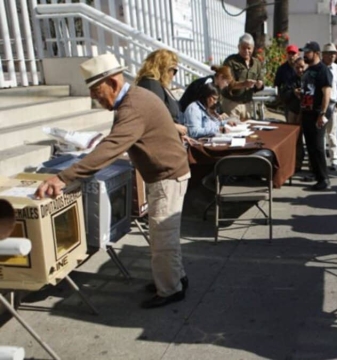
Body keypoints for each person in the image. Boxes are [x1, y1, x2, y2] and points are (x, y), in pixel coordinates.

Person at [34, 54, 191, 309]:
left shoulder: (132, 106)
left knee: (163, 238)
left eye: (97, 91)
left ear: (112, 83)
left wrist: (64, 177)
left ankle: (171, 289)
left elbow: (111, 147)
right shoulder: (134, 99)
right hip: (167, 174)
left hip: (167, 177)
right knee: (164, 235)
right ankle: (174, 278)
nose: (95, 98)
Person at [298, 41, 333, 191]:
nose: (304, 55)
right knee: (311, 147)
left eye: (308, 52)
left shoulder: (322, 70)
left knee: (318, 147)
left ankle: (324, 179)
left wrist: (322, 113)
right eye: (304, 52)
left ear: (316, 53)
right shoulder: (308, 70)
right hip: (306, 112)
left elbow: (326, 93)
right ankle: (316, 175)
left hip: (317, 113)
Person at [135, 49, 187, 137]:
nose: (174, 75)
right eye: (173, 70)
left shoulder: (157, 84)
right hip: (159, 141)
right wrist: (175, 127)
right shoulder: (151, 84)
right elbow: (153, 117)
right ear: (163, 68)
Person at [221, 33, 265, 120]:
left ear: (253, 48)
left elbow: (260, 81)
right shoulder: (231, 61)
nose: (246, 51)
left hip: (247, 105)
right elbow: (227, 84)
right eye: (243, 48)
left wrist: (259, 85)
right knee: (233, 131)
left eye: (249, 48)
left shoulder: (256, 63)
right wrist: (244, 84)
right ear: (238, 47)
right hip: (232, 104)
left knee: (247, 131)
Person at [279, 57, 307, 171]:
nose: (300, 70)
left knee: (310, 139)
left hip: (307, 113)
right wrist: (293, 92)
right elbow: (283, 95)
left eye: (302, 67)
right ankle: (297, 162)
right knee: (295, 138)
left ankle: (312, 164)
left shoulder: (309, 78)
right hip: (293, 111)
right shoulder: (290, 80)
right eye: (297, 67)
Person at [321, 43, 337, 171]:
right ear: (324, 55)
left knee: (332, 133)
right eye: (330, 53)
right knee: (321, 134)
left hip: (333, 104)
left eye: (334, 53)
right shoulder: (319, 68)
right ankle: (322, 159)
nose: (333, 56)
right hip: (321, 104)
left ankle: (335, 159)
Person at [274, 44, 300, 123]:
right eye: (289, 53)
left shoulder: (302, 66)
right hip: (288, 101)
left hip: (300, 101)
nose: (291, 56)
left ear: (298, 55)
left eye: (293, 54)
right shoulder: (282, 69)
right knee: (290, 125)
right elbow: (276, 84)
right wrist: (279, 98)